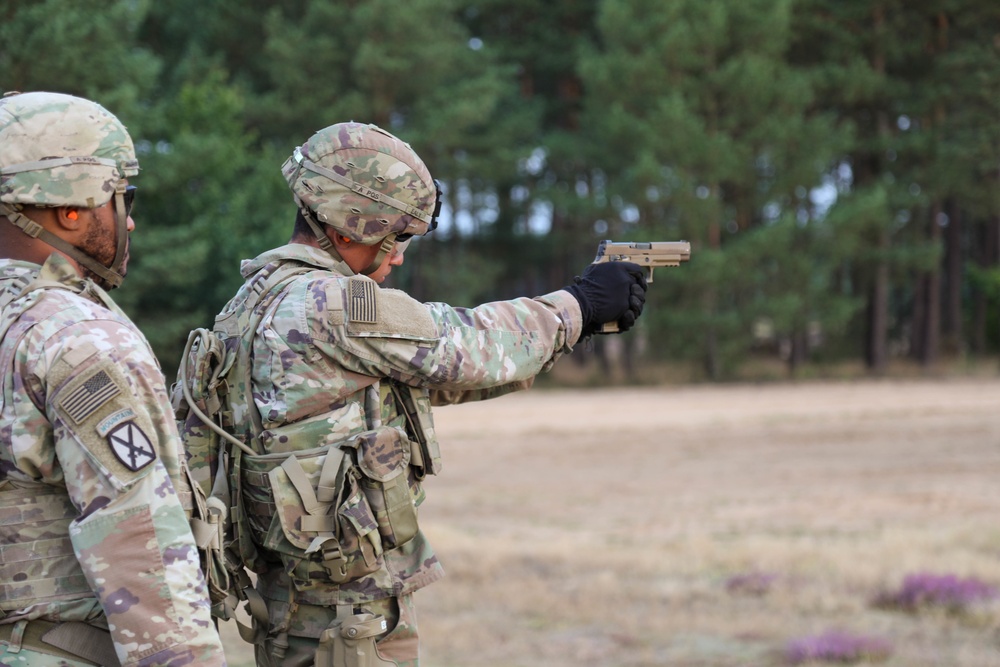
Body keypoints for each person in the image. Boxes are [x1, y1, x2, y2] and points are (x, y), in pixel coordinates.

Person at [209, 121, 646, 666]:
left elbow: (421, 381)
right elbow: (460, 345)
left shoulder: (250, 300)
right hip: (348, 619)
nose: (397, 257)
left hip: (289, 603)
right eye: (395, 238)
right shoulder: (331, 304)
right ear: (349, 229)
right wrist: (576, 307)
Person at [0, 91, 227, 666]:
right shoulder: (75, 338)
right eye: (118, 199)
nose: (129, 220)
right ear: (69, 208)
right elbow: (140, 547)